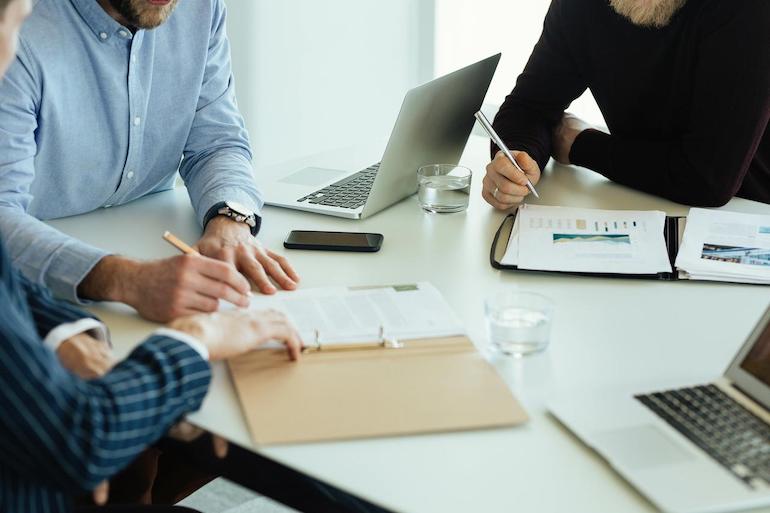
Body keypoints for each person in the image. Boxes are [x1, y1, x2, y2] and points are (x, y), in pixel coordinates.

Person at [0, 0, 300, 324]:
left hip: (161, 258)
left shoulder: (201, 9)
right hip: (38, 303)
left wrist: (230, 220)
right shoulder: (15, 25)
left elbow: (217, 142)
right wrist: (125, 279)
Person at [482, 0, 770, 210]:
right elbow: (530, 106)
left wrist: (580, 145)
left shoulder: (748, 10)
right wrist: (515, 159)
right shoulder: (582, 7)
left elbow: (707, 179)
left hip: (751, 217)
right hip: (643, 205)